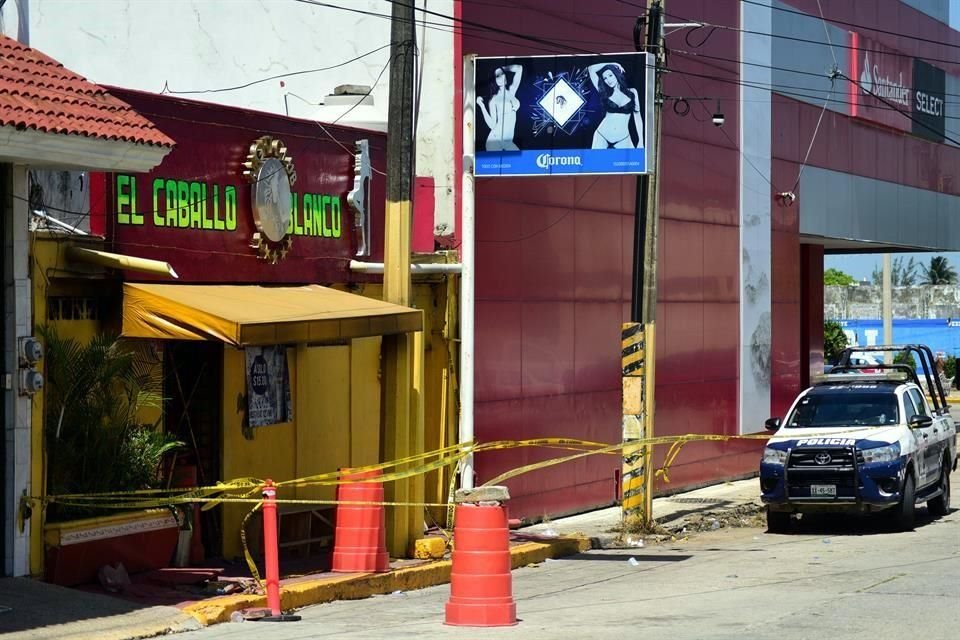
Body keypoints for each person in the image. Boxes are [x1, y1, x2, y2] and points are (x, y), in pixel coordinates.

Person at [587, 62, 643, 149]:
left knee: (633, 161)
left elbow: (638, 118)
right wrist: (613, 63)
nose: (608, 80)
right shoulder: (604, 92)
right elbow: (591, 68)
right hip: (602, 135)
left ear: (616, 74)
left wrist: (641, 141)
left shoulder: (632, 92)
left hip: (623, 139)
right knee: (594, 162)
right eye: (605, 78)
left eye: (610, 75)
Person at [477, 64, 523, 151]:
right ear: (495, 80)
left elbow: (519, 68)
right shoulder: (494, 100)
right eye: (498, 76)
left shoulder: (511, 91)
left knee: (521, 163)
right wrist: (481, 105)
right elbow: (492, 124)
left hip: (508, 143)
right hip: (495, 141)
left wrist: (504, 68)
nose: (501, 76)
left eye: (502, 73)